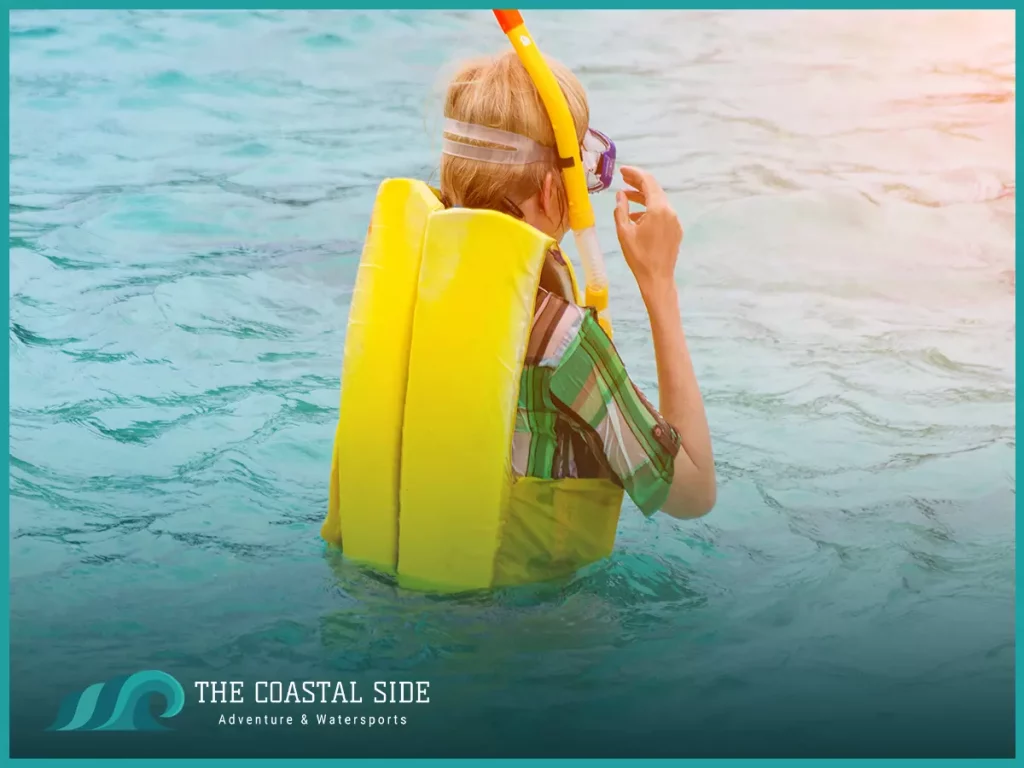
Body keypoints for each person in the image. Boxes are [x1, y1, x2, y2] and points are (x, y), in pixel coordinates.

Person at [439, 51, 716, 520]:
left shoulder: (405, 286)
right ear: (551, 190)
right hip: (524, 593)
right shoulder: (560, 340)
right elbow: (692, 495)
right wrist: (659, 285)